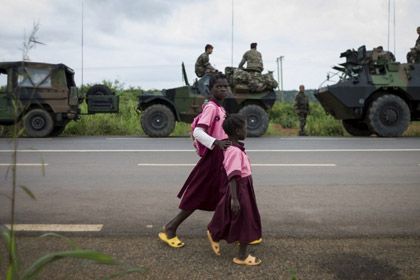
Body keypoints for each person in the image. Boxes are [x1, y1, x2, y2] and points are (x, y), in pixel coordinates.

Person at [158, 73, 231, 248]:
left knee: (227, 194)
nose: (222, 89)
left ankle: (234, 231)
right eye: (218, 86)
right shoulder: (211, 108)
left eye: (225, 86)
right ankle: (170, 228)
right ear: (211, 89)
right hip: (214, 157)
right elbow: (198, 132)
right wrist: (217, 143)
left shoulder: (220, 108)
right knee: (200, 194)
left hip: (221, 156)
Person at [206, 114, 262, 266]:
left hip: (243, 186)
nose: (246, 130)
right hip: (240, 188)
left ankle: (214, 232)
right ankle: (242, 257)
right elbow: (233, 175)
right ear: (237, 131)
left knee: (233, 217)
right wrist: (235, 198)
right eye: (245, 128)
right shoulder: (234, 151)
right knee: (246, 220)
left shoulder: (235, 147)